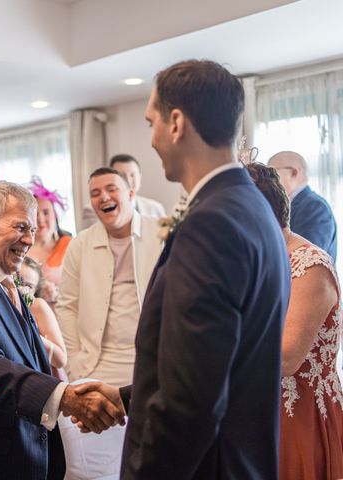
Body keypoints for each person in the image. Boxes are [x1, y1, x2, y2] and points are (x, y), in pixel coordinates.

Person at [80, 60, 291, 478]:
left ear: (176, 123)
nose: (153, 139)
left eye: (151, 122)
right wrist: (129, 395)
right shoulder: (251, 206)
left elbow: (191, 400)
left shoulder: (211, 223)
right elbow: (216, 361)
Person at [0, 181, 125, 480]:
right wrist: (65, 397)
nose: (30, 239)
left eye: (32, 229)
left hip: (26, 449)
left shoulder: (6, 278)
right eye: (21, 227)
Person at [246, 162, 343, 479]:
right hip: (253, 413)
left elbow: (285, 358)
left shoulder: (310, 265)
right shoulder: (254, 262)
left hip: (298, 417)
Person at [56, 167, 162, 388]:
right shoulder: (80, 244)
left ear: (131, 194)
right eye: (95, 193)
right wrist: (74, 363)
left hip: (157, 360)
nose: (103, 197)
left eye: (111, 189)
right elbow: (67, 306)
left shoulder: (161, 234)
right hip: (96, 365)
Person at [268, 150, 337, 261]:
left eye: (272, 173)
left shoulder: (315, 207)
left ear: (294, 172)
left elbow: (306, 258)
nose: (268, 179)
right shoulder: (283, 205)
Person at [81, 154, 166, 229]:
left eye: (132, 175)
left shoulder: (156, 208)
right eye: (122, 175)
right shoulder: (92, 211)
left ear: (140, 177)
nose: (128, 180)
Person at [19, 256, 68, 380]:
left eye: (29, 286)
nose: (21, 288)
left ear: (35, 290)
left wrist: (31, 333)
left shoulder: (37, 306)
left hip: (38, 377)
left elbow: (61, 360)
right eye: (17, 280)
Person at [26, 177, 71, 306]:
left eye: (46, 213)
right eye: (35, 214)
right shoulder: (19, 250)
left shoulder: (70, 245)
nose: (40, 220)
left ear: (55, 215)